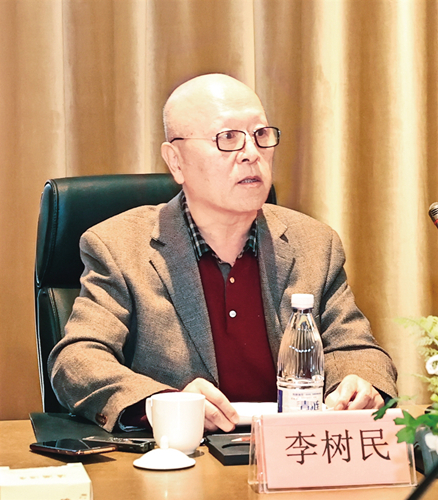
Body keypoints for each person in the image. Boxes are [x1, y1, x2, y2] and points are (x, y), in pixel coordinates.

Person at [48, 74, 397, 433]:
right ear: (176, 161)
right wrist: (163, 403)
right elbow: (77, 360)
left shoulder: (314, 243)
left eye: (260, 135)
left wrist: (360, 384)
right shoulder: (119, 246)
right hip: (183, 455)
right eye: (228, 138)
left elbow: (357, 349)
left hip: (289, 449)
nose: (251, 153)